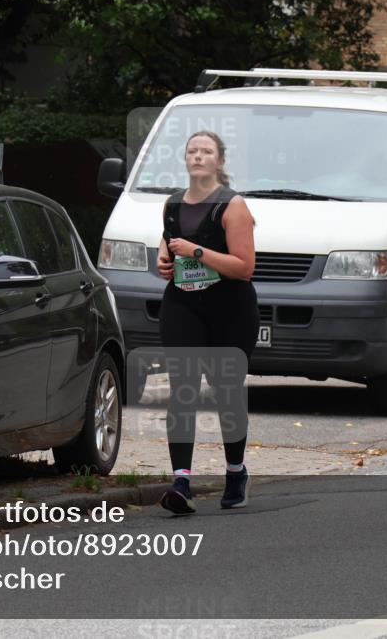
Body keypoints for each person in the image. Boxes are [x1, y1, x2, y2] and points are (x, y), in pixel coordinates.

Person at [157, 130, 259, 514]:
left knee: (225, 391)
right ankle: (181, 482)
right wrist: (163, 260)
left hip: (230, 308)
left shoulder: (232, 207)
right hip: (183, 305)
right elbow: (168, 243)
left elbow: (245, 266)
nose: (198, 157)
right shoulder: (171, 205)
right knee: (182, 388)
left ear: (219, 162)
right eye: (192, 151)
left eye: (206, 152)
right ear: (185, 159)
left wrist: (198, 252)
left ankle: (235, 472)